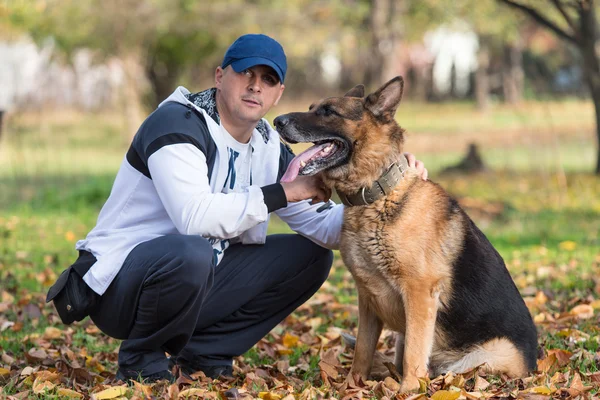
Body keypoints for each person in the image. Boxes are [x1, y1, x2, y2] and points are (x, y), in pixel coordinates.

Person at [46, 33, 428, 383]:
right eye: (245, 72)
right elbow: (193, 218)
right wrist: (284, 192)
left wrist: (390, 190)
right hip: (120, 287)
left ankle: (205, 352)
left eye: (268, 79)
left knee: (310, 257)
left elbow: (328, 229)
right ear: (219, 76)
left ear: (278, 94)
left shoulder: (266, 146)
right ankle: (140, 358)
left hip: (197, 281)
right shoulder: (176, 123)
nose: (255, 85)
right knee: (191, 251)